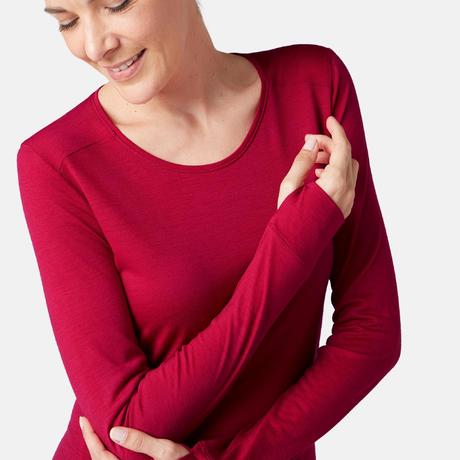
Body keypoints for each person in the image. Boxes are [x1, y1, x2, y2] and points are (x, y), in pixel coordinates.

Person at [17, 0, 401, 459]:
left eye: (117, 4)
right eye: (68, 21)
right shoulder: (58, 162)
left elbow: (373, 333)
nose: (95, 45)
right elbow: (125, 425)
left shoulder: (314, 86)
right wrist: (293, 242)